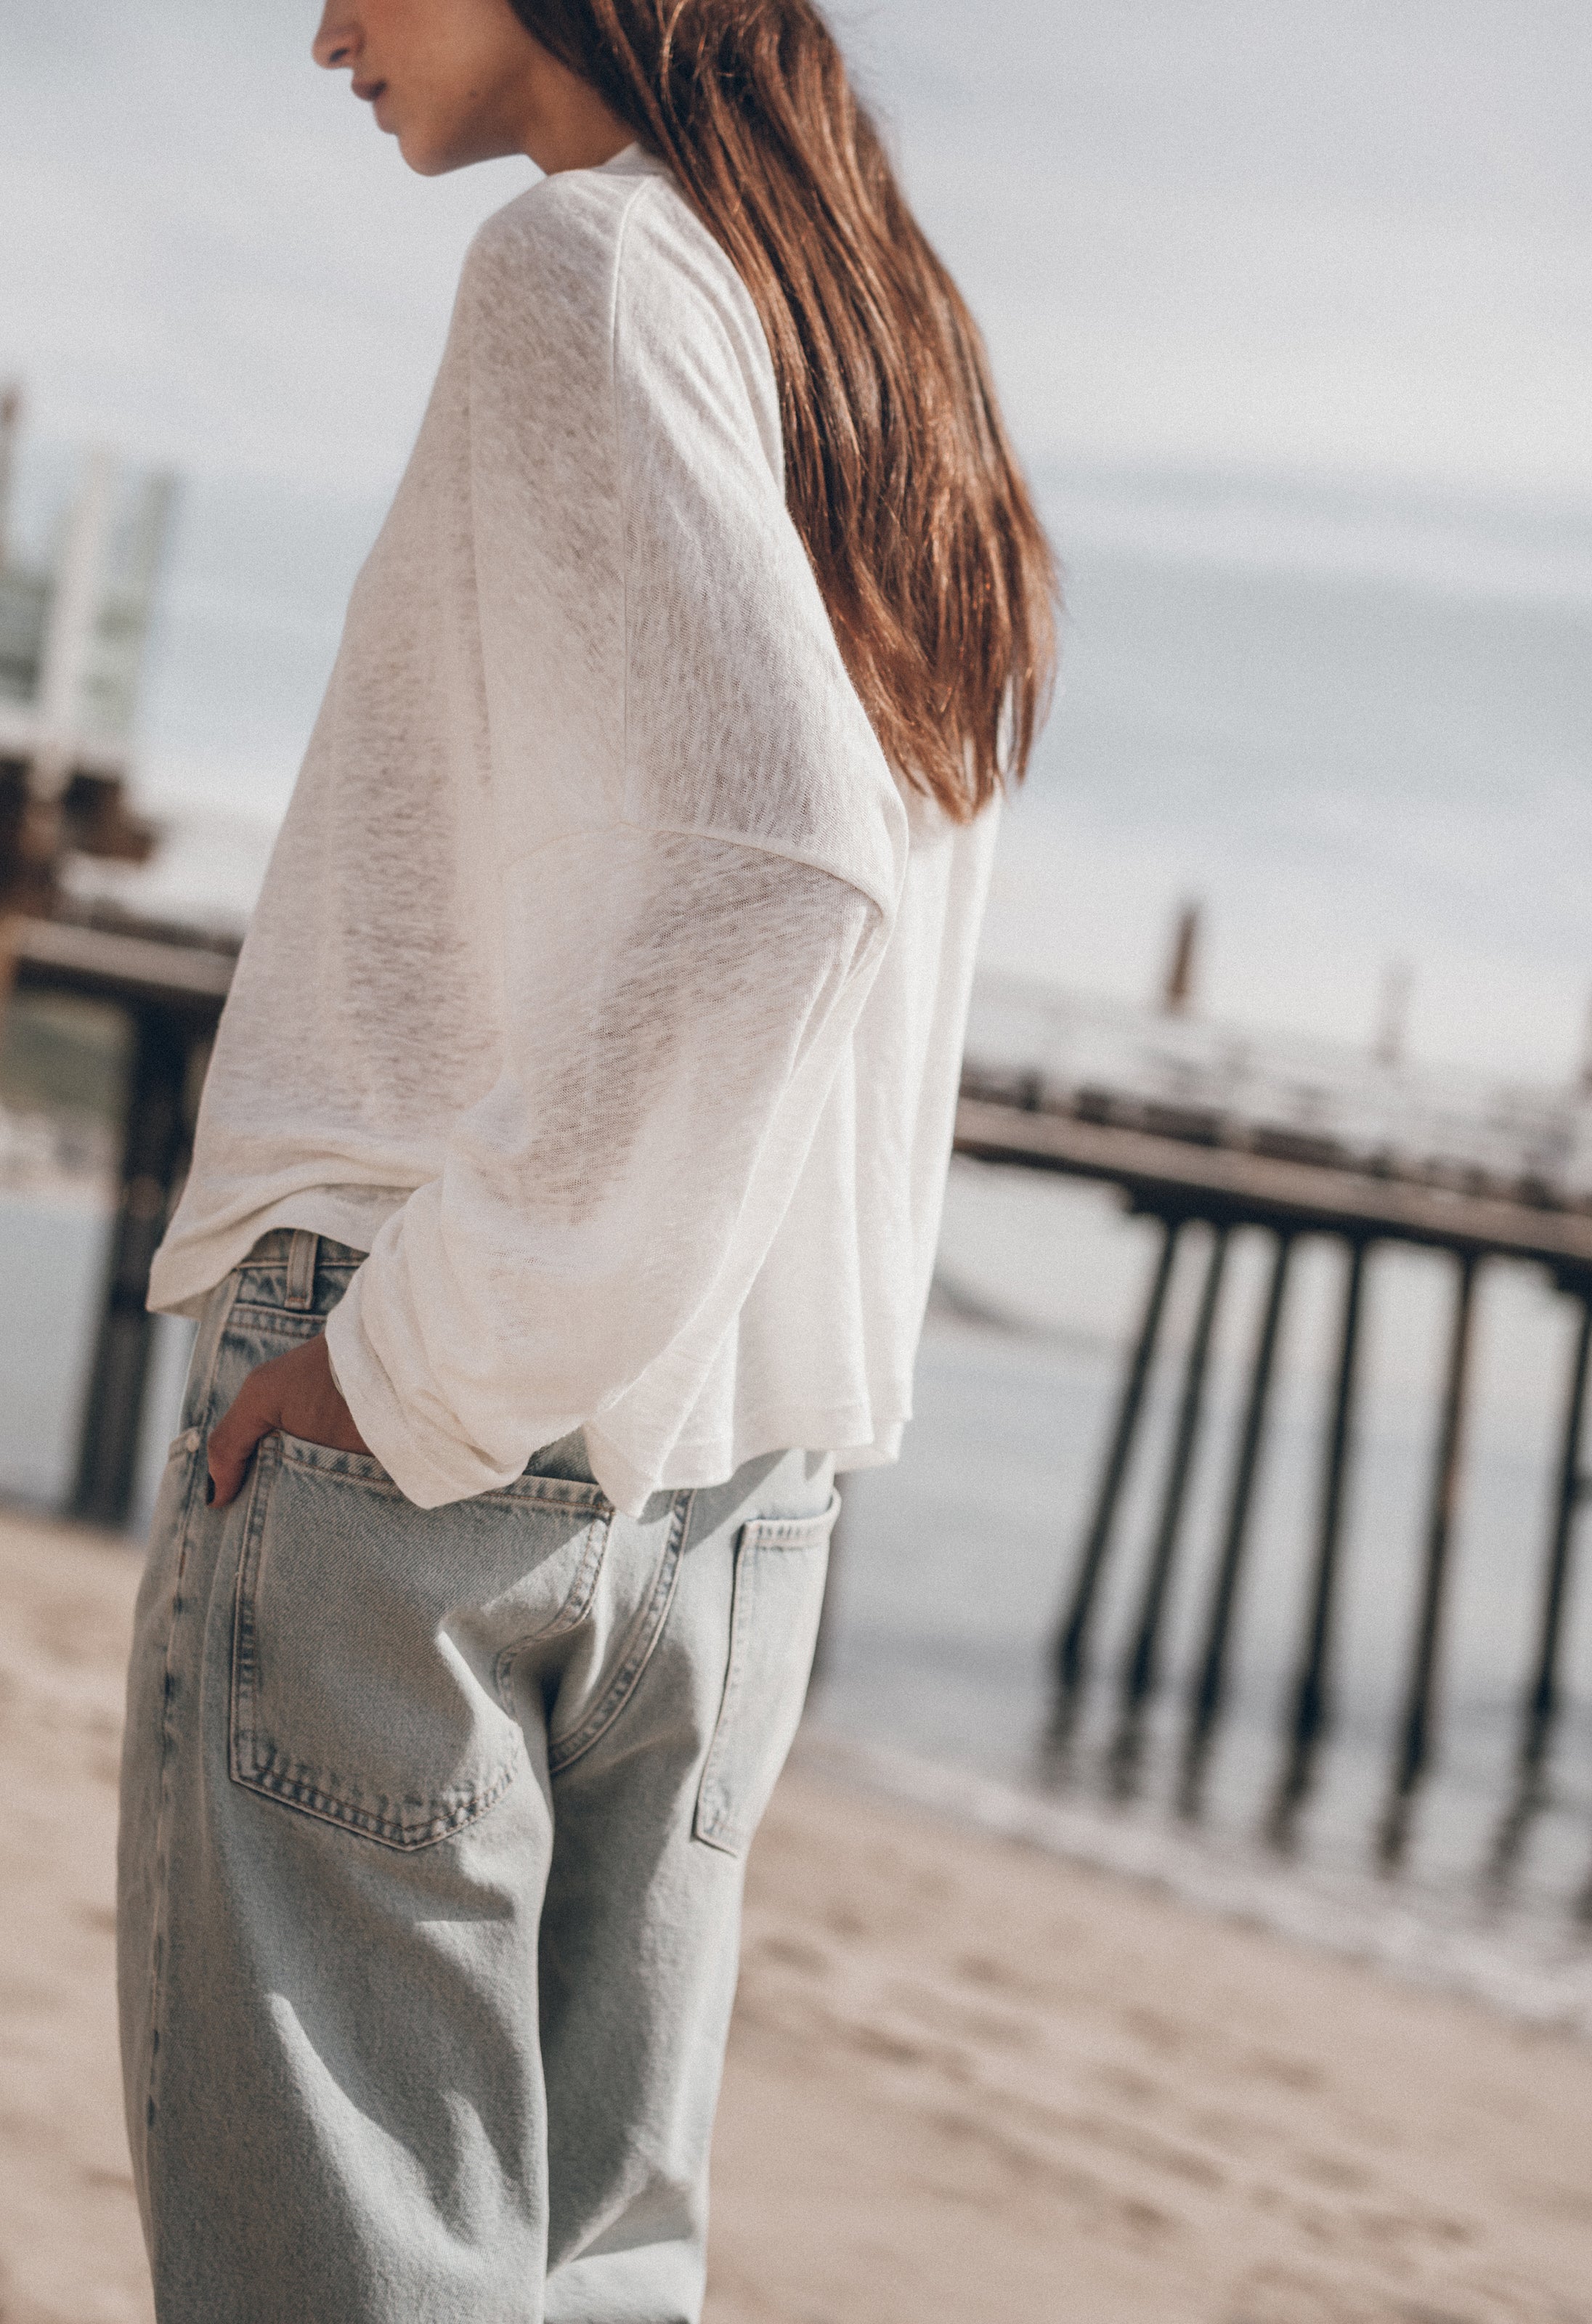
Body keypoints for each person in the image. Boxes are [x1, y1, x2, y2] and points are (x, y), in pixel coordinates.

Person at [117, 0, 1055, 2315]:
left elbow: (788, 872)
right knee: (592, 2272)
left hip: (446, 1443)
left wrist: (409, 1368)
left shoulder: (590, 269)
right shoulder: (876, 348)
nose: (318, 25)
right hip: (745, 1494)